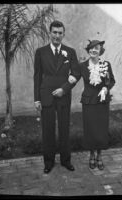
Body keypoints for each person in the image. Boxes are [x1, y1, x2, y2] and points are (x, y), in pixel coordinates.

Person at [34, 20, 80, 174]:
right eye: (54, 32)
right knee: (47, 130)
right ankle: (48, 162)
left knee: (64, 129)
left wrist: (64, 89)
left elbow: (76, 73)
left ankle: (66, 161)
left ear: (63, 34)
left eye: (60, 33)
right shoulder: (40, 52)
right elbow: (37, 76)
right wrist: (37, 99)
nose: (57, 36)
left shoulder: (70, 52)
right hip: (46, 95)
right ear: (50, 33)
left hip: (63, 96)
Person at [69, 40, 115, 170]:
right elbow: (74, 77)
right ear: (88, 50)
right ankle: (91, 154)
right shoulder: (82, 66)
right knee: (90, 128)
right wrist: (67, 82)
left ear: (100, 50)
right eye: (91, 48)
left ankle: (99, 155)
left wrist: (106, 88)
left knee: (101, 128)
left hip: (102, 100)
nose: (93, 50)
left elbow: (111, 80)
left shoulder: (106, 64)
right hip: (88, 100)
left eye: (97, 48)